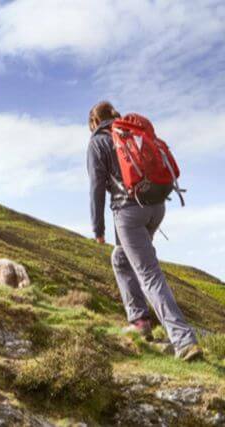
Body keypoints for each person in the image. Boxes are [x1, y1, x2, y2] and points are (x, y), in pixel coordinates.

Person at [86, 101, 202, 361]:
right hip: (156, 206)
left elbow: (96, 187)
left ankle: (184, 341)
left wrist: (98, 228)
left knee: (149, 274)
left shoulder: (97, 142)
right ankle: (140, 322)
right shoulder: (130, 132)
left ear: (94, 123)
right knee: (120, 258)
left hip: (128, 212)